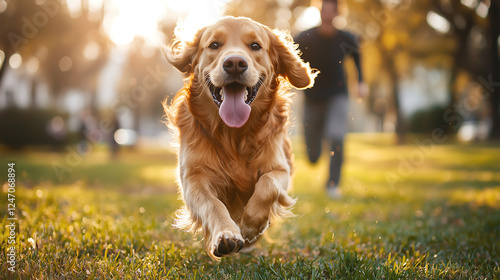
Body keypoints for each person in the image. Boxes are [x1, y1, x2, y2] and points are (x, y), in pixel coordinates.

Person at [295, 0, 368, 198]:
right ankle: (315, 156)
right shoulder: (305, 37)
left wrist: (361, 82)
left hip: (338, 95)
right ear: (319, 12)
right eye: (324, 10)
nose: (327, 15)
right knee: (313, 155)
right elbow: (289, 57)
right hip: (312, 97)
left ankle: (332, 184)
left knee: (336, 136)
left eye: (331, 11)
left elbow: (358, 57)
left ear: (338, 13)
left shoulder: (347, 38)